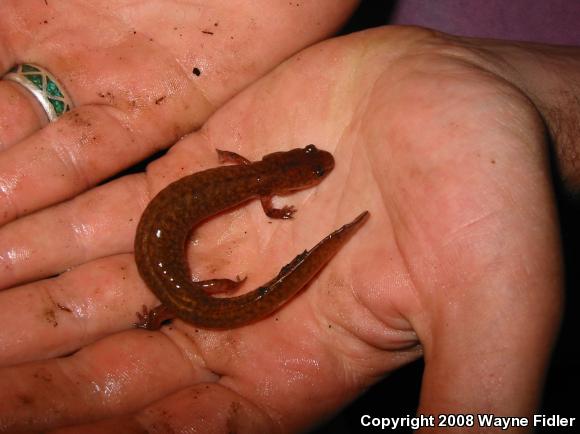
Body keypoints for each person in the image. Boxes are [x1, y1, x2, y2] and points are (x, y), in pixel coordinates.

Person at [0, 2, 577, 432]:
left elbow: (238, 169)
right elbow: (257, 191)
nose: (311, 167)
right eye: (309, 166)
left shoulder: (254, 175)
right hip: (175, 282)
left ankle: (179, 306)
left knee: (193, 296)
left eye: (311, 166)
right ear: (286, 169)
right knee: (196, 296)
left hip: (172, 276)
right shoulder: (262, 192)